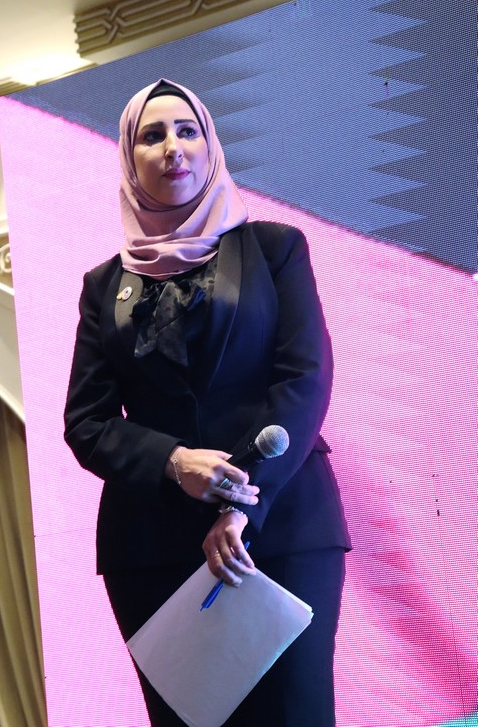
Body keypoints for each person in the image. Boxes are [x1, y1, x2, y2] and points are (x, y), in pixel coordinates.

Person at [64, 78, 351, 726]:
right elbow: (86, 422)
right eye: (152, 135)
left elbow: (303, 379)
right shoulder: (103, 287)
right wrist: (174, 462)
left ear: (210, 145)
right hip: (153, 547)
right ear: (129, 158)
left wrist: (243, 503)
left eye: (187, 130)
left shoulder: (275, 249)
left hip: (280, 524)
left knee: (296, 713)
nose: (173, 147)